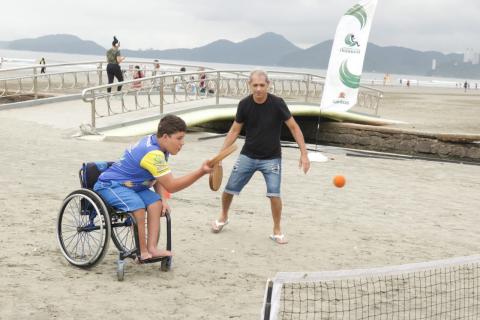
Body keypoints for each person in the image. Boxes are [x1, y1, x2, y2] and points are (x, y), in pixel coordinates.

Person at [211, 70, 310, 244]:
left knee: (274, 194)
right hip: (248, 155)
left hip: (271, 158)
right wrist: (219, 155)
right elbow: (235, 130)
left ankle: (277, 230)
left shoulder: (278, 104)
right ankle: (223, 216)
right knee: (229, 189)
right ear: (249, 85)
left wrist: (304, 154)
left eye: (262, 85)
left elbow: (294, 127)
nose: (258, 89)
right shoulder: (244, 104)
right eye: (255, 85)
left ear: (268, 85)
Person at [94, 115, 213, 260]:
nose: (183, 143)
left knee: (156, 203)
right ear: (165, 137)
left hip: (134, 186)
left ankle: (152, 249)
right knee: (138, 206)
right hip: (111, 185)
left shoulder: (158, 145)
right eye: (179, 138)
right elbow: (172, 185)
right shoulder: (153, 153)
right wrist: (201, 172)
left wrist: (163, 199)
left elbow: (158, 179)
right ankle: (142, 252)